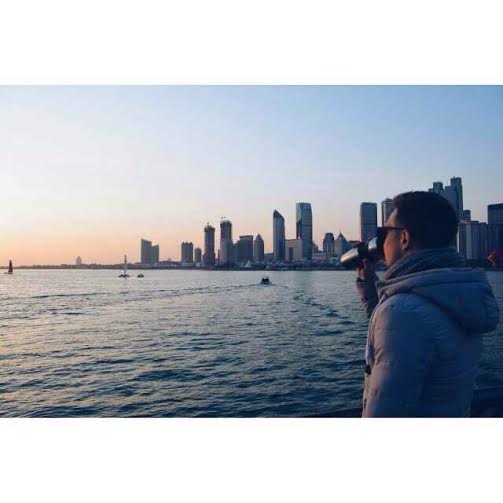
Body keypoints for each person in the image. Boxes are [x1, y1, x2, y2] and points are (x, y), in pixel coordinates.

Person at [356, 191, 500, 417]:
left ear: (404, 238)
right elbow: (408, 327)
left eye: (385, 233)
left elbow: (386, 411)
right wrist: (368, 287)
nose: (382, 242)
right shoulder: (457, 292)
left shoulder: (402, 312)